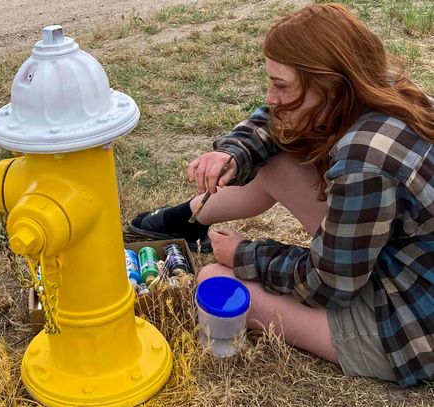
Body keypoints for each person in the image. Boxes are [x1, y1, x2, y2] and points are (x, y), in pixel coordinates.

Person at [128, 3, 434, 387]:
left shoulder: (364, 161)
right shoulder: (379, 89)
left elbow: (329, 285)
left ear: (329, 84)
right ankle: (183, 222)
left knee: (211, 279)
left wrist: (243, 254)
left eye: (282, 85)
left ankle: (194, 236)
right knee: (278, 158)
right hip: (399, 262)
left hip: (409, 323)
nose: (271, 97)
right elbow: (273, 121)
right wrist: (233, 153)